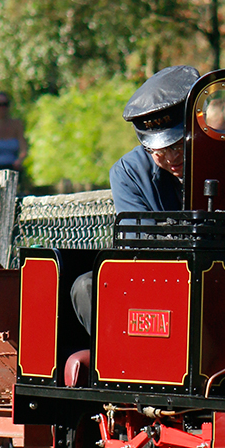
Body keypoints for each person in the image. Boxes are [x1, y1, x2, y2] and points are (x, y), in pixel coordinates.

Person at [71, 65, 200, 335]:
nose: (172, 158)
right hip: (156, 279)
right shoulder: (127, 172)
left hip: (211, 275)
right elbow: (140, 242)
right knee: (86, 287)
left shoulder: (221, 156)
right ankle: (116, 356)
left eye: (177, 146)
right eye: (160, 151)